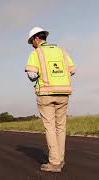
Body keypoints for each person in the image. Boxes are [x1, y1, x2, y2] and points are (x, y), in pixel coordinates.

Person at [25, 27, 75, 172]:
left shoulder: (37, 53)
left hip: (46, 94)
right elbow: (72, 70)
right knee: (61, 127)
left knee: (50, 127)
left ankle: (54, 163)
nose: (32, 45)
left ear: (36, 39)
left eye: (31, 42)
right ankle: (61, 160)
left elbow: (32, 75)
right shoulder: (62, 51)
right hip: (64, 93)